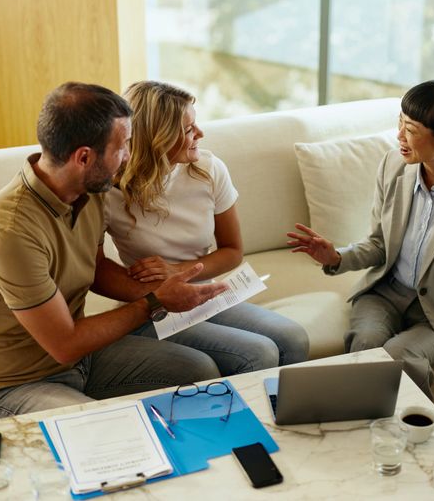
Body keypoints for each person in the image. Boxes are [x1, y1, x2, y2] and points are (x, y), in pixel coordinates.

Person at [0, 82, 228, 421]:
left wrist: (167, 290)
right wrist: (155, 301)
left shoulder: (88, 191)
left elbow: (97, 266)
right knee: (107, 432)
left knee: (199, 370)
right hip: (17, 383)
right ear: (84, 157)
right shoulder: (8, 231)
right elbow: (65, 344)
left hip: (82, 358)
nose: (131, 156)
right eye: (124, 147)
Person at [287, 79, 434, 398]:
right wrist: (337, 258)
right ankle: (366, 435)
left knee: (399, 356)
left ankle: (412, 440)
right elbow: (379, 245)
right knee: (367, 346)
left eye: (410, 129)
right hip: (385, 293)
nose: (399, 135)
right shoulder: (393, 166)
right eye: (400, 122)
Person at [104, 80, 309, 374]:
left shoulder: (209, 169)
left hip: (203, 294)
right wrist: (151, 291)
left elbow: (233, 251)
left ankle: (282, 417)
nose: (200, 133)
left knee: (293, 338)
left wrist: (177, 271)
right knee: (257, 353)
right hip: (155, 305)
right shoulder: (108, 191)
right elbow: (94, 266)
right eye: (188, 129)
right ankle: (248, 420)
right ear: (157, 138)